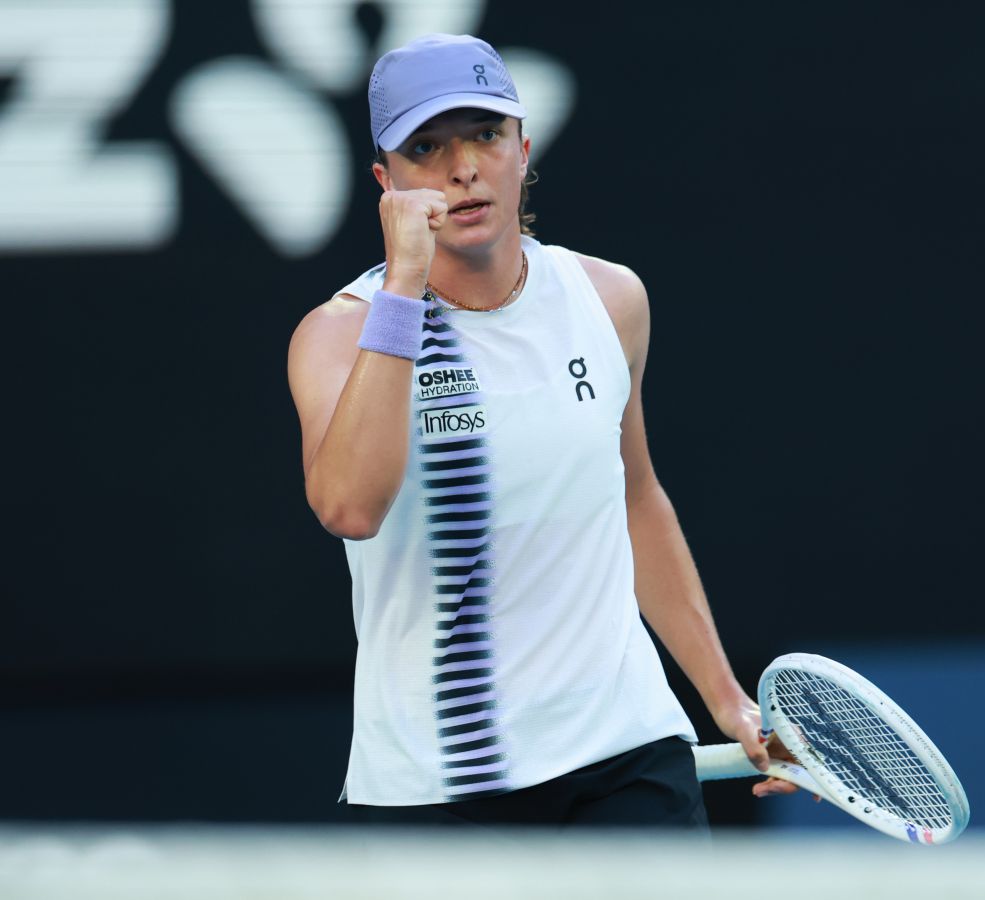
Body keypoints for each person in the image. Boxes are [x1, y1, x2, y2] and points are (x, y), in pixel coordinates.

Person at [287, 34, 790, 827]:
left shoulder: (610, 299)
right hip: (442, 783)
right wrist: (404, 286)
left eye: (486, 135)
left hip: (625, 752)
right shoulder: (339, 333)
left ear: (523, 150)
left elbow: (635, 498)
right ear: (387, 184)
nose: (464, 168)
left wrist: (727, 701)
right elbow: (349, 508)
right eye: (427, 148)